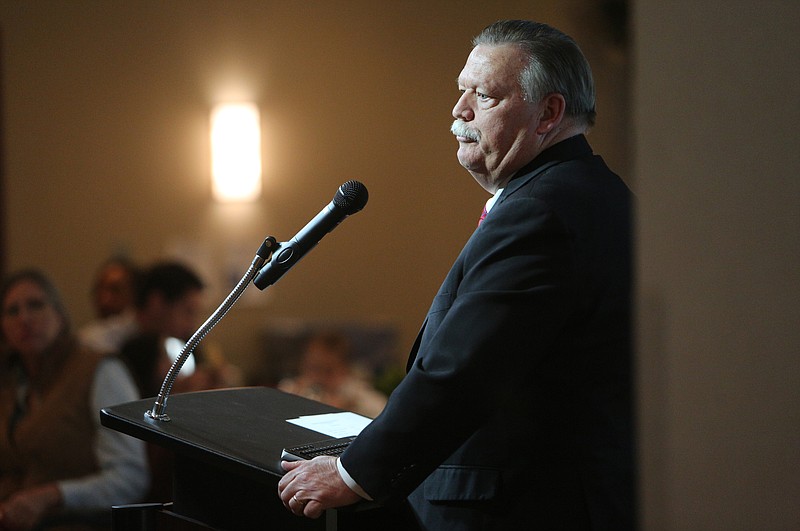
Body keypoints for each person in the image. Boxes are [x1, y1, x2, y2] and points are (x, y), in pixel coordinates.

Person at [277, 20, 635, 530]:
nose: (459, 110)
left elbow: (461, 370)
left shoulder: (543, 210)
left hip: (523, 508)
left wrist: (352, 473)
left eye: (483, 95)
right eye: (460, 90)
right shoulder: (589, 192)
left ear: (548, 113)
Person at [0, 269, 148, 531]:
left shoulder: (99, 370)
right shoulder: (12, 383)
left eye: (36, 305)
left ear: (59, 313)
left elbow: (131, 478)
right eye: (12, 311)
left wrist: (55, 495)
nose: (24, 318)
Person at [278, 330, 387, 418]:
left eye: (328, 371)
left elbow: (380, 410)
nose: (317, 377)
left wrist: (346, 410)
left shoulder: (358, 395)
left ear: (344, 369)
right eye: (312, 368)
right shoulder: (290, 389)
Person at [78, 256, 139, 355]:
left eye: (115, 290)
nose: (104, 298)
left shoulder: (89, 340)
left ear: (134, 293)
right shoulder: (87, 339)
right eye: (99, 289)